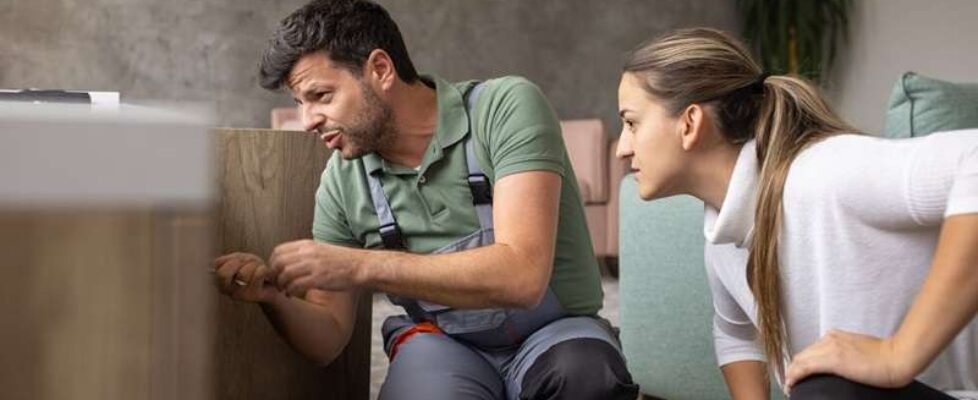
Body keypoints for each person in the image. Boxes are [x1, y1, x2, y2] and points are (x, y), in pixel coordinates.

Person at [212, 1, 638, 399]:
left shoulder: (504, 108)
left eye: (321, 96)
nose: (307, 121)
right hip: (445, 348)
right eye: (299, 103)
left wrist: (360, 265)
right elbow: (328, 338)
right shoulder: (342, 183)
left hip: (555, 334)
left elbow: (523, 276)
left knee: (586, 376)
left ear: (380, 68)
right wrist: (274, 298)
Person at [615, 28, 977, 399]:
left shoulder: (825, 171)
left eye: (631, 122)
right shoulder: (724, 240)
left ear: (689, 124)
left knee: (822, 389)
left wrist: (897, 355)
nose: (622, 149)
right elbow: (735, 333)